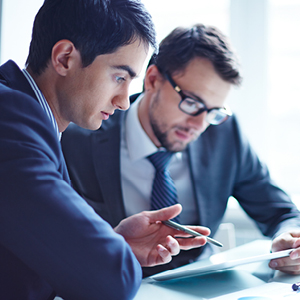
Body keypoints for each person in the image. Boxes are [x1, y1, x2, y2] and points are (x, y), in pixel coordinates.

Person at [0, 1, 211, 299]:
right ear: (64, 58)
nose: (124, 101)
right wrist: (108, 254)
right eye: (119, 77)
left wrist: (115, 242)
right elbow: (112, 279)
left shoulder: (31, 119)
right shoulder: (10, 118)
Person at [62, 23, 300, 278]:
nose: (199, 125)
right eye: (192, 103)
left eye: (213, 112)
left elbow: (281, 211)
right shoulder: (78, 141)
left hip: (204, 289)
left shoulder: (224, 134)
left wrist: (289, 239)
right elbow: (60, 246)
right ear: (152, 79)